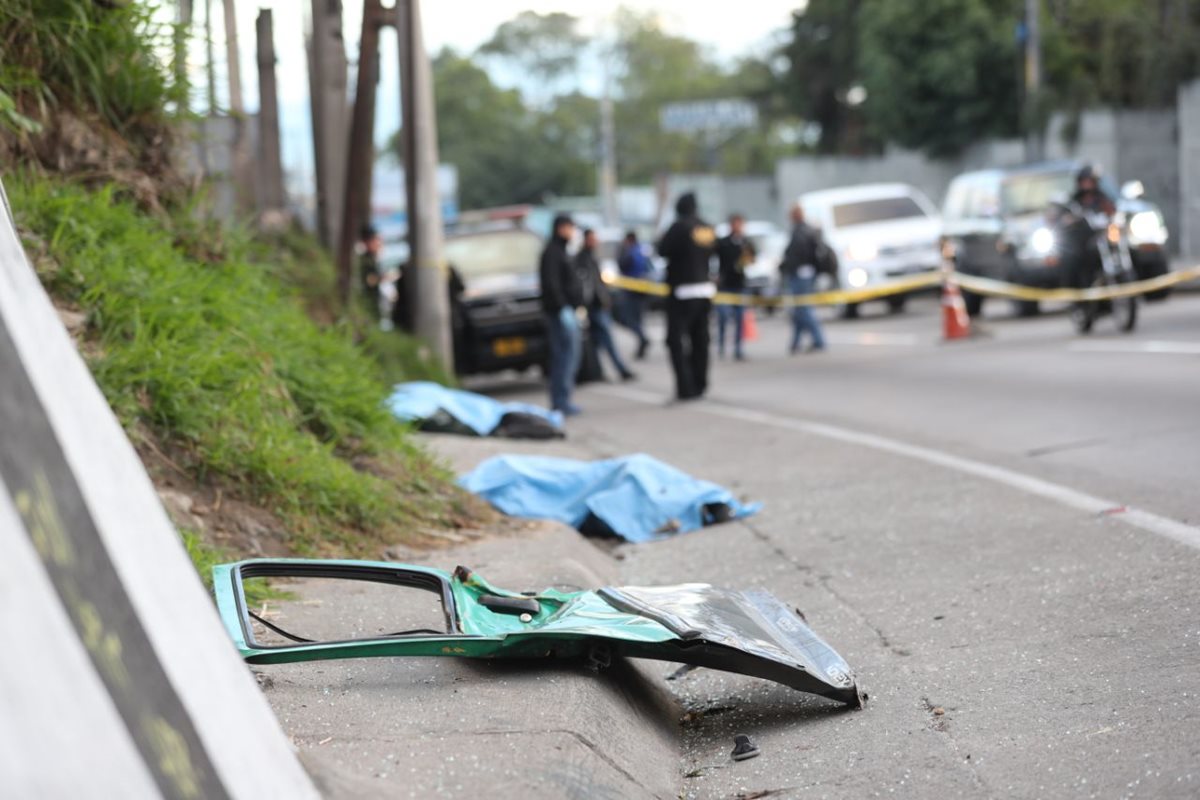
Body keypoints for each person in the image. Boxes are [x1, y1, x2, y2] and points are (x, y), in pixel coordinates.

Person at [657, 192, 716, 401]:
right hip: (705, 290)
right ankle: (700, 383)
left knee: (676, 341)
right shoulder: (706, 227)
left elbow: (662, 250)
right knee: (701, 340)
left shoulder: (679, 227)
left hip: (682, 292)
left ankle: (685, 387)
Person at [575, 228, 636, 382]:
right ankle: (620, 370)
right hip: (593, 308)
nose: (596, 242)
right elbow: (588, 286)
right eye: (592, 239)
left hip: (597, 306)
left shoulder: (591, 258)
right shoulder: (582, 259)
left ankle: (596, 371)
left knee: (596, 342)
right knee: (607, 341)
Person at [539, 214, 584, 415]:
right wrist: (562, 308)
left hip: (566, 311)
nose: (572, 232)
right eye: (569, 228)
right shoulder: (552, 253)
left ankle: (563, 399)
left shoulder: (562, 251)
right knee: (564, 358)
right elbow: (552, 284)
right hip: (559, 314)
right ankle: (560, 401)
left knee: (568, 357)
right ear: (560, 228)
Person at [779, 203, 828, 355]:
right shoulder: (806, 230)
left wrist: (785, 266)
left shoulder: (800, 232)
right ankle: (795, 343)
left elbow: (795, 256)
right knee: (799, 310)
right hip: (806, 274)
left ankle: (819, 340)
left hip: (800, 275)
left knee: (804, 309)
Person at [714, 213, 757, 360]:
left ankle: (738, 349)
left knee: (740, 318)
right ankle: (720, 346)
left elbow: (752, 260)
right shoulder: (723, 242)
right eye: (735, 223)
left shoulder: (746, 242)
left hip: (740, 285)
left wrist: (747, 258)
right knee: (723, 317)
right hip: (725, 285)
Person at [614, 231, 651, 359]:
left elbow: (621, 265)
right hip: (643, 290)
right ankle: (641, 342)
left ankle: (642, 338)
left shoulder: (629, 252)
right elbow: (649, 269)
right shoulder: (643, 251)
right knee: (638, 319)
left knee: (628, 319)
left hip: (630, 292)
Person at [358, 224, 383, 321]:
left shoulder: (371, 258)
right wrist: (384, 278)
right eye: (376, 240)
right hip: (368, 305)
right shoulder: (365, 260)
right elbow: (369, 281)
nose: (379, 243)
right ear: (366, 242)